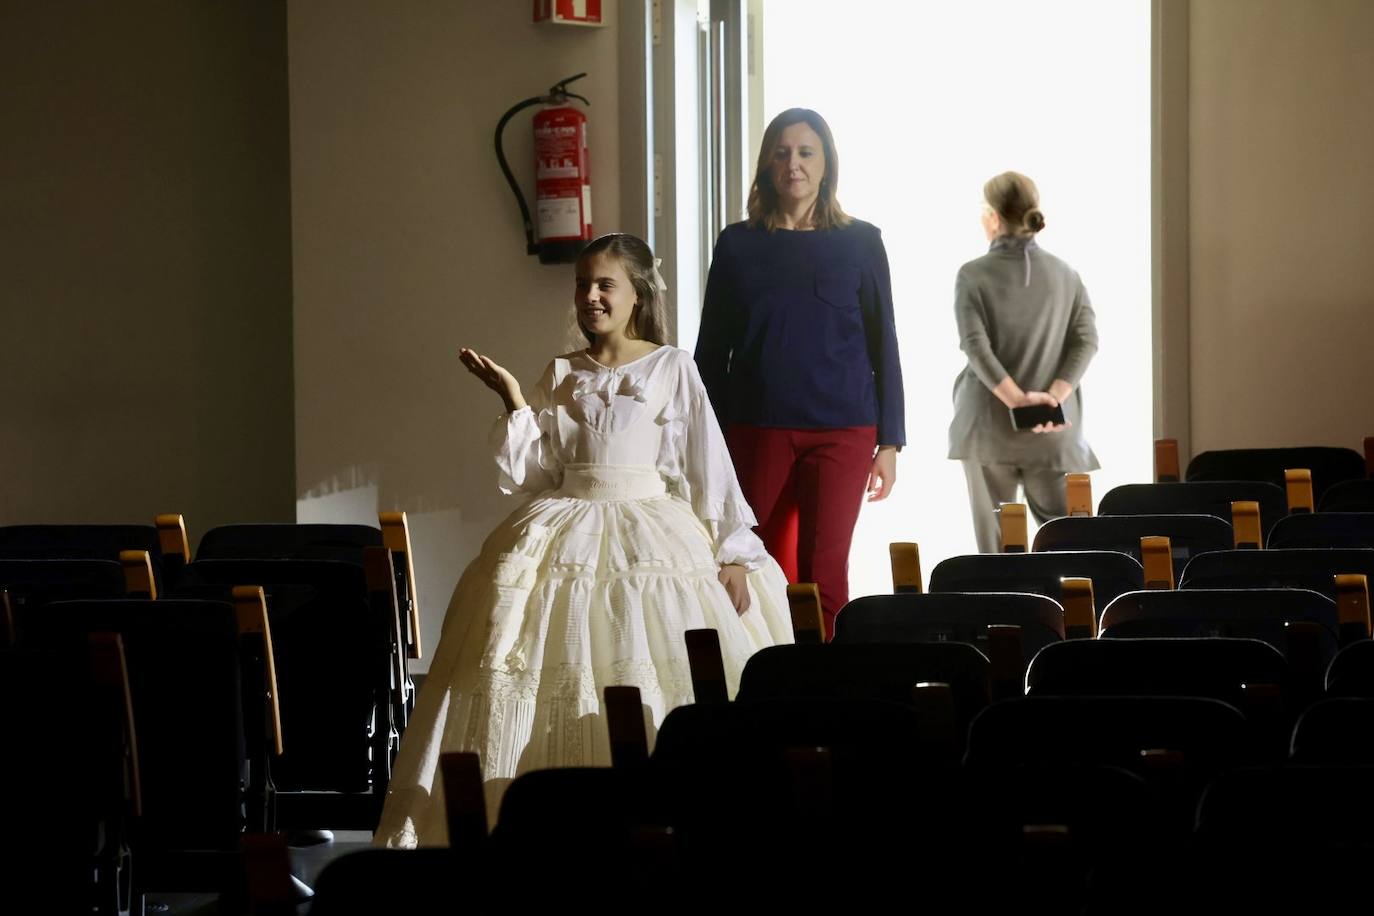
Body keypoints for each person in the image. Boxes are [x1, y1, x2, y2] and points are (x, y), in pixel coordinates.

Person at [374, 233, 793, 847]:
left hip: (647, 527)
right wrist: (515, 399)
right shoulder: (563, 370)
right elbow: (540, 473)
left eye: (605, 285)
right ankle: (538, 827)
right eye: (582, 284)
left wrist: (731, 549)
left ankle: (663, 823)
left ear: (636, 295)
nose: (590, 296)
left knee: (643, 658)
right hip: (565, 523)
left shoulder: (671, 366)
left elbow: (707, 464)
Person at [695, 107, 905, 641]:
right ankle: (761, 674)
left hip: (843, 429)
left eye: (806, 153)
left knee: (824, 571)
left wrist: (890, 443)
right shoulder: (737, 245)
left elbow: (885, 343)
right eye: (783, 153)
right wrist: (699, 442)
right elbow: (711, 350)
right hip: (756, 427)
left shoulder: (861, 241)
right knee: (749, 562)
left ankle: (827, 687)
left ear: (827, 165)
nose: (794, 164)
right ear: (767, 164)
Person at [948, 171, 1099, 553]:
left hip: (988, 430)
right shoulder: (1067, 274)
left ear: (994, 217)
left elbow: (975, 347)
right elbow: (1087, 341)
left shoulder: (972, 275)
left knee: (997, 552)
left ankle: (1007, 616)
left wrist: (1017, 400)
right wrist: (1052, 397)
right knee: (1071, 547)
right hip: (1053, 428)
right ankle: (1070, 615)